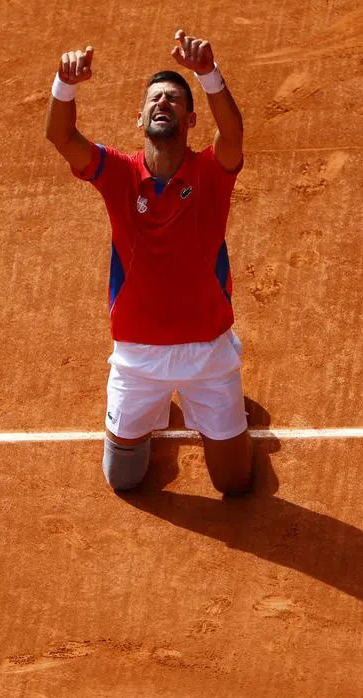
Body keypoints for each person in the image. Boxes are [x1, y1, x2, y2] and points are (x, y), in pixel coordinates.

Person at [45, 30, 252, 495]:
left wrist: (208, 74)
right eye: (155, 98)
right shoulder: (117, 172)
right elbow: (61, 135)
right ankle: (164, 413)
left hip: (207, 354)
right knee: (124, 480)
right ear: (139, 118)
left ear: (191, 117)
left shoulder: (211, 174)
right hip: (137, 359)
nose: (163, 102)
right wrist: (65, 84)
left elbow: (234, 133)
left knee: (236, 484)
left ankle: (218, 410)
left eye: (175, 99)